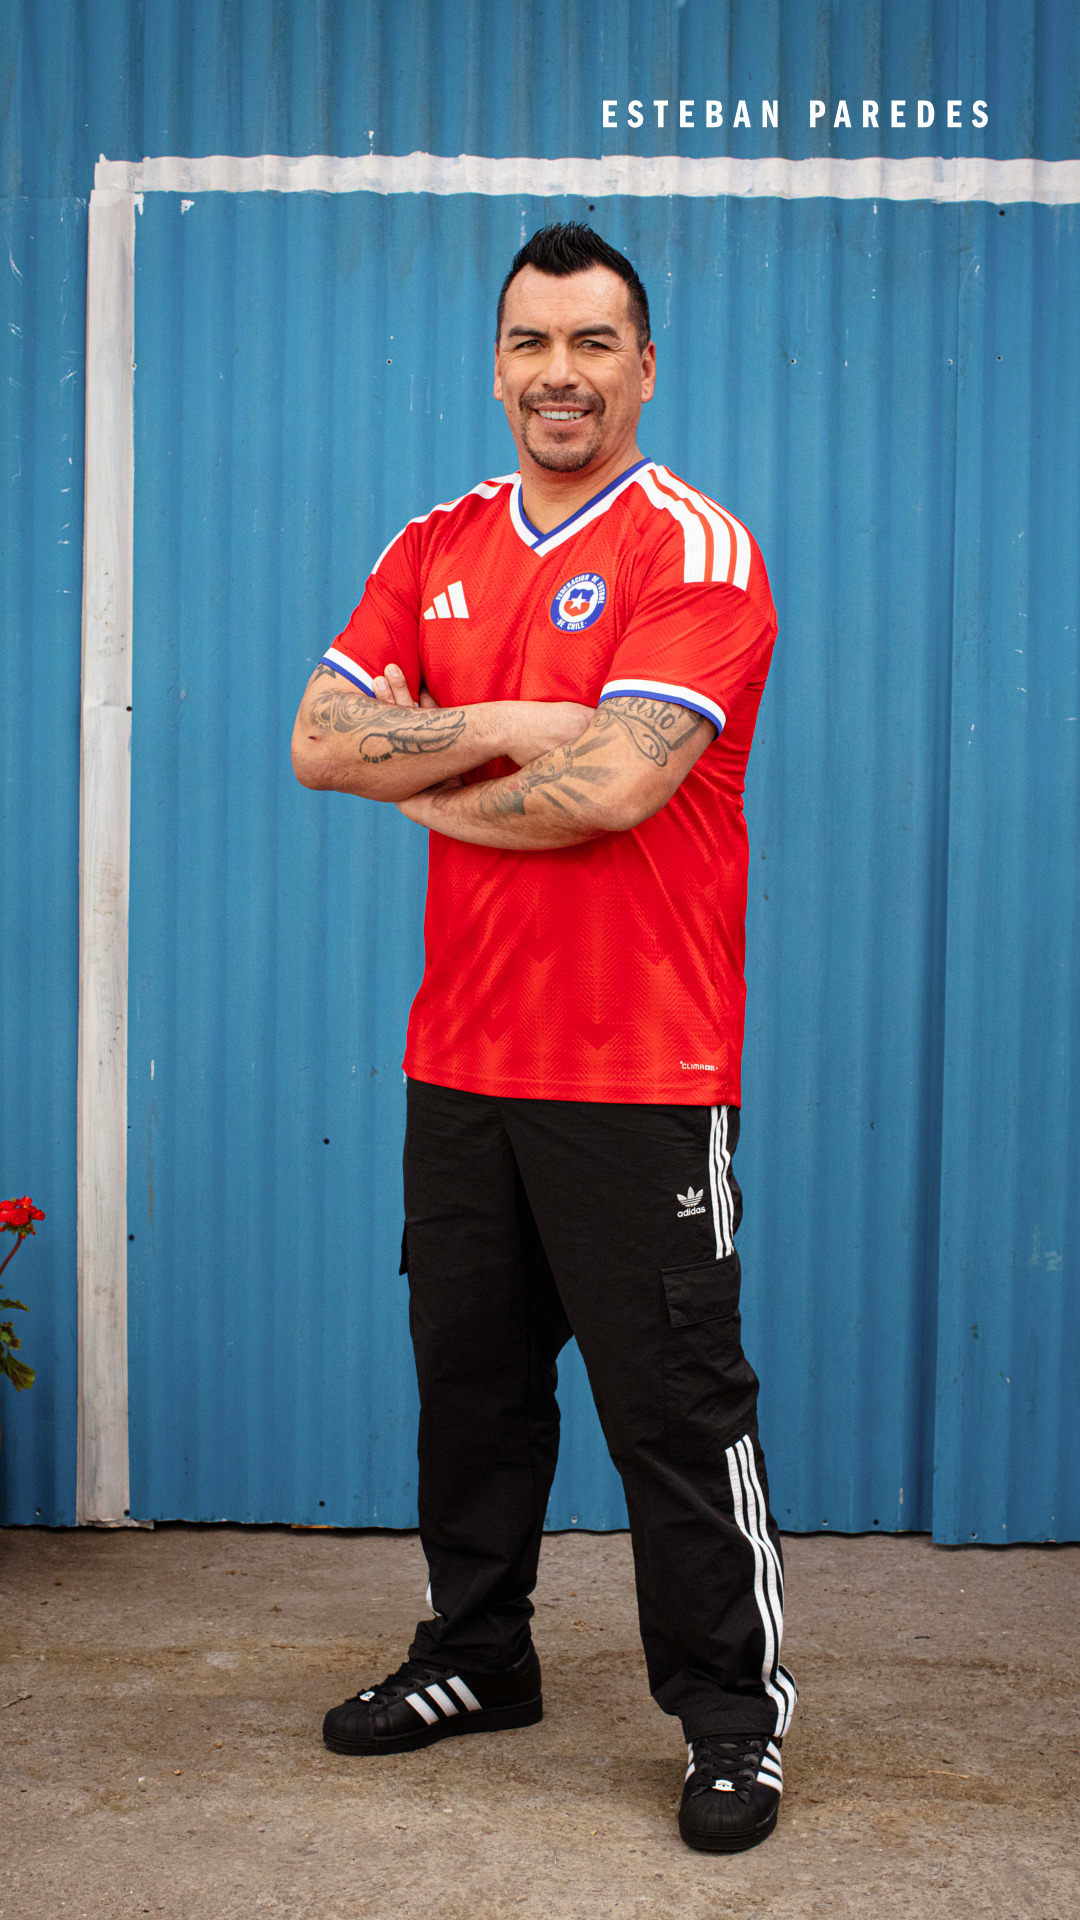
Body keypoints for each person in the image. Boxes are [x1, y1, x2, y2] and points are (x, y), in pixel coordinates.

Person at [291, 223, 796, 1854]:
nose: (558, 375)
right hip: (463, 1063)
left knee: (676, 1411)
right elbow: (317, 741)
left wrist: (429, 770)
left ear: (644, 365)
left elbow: (630, 783)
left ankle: (732, 1719)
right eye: (530, 343)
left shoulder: (694, 552)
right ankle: (474, 1656)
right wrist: (517, 728)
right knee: (472, 1391)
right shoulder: (434, 540)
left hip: (638, 1074)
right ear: (497, 360)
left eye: (592, 343)